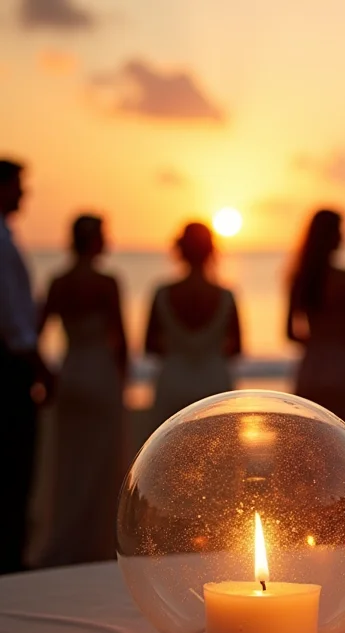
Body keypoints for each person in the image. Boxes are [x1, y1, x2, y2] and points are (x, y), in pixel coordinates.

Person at [38, 215, 127, 566]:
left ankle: (67, 538)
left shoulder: (58, 282)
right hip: (101, 373)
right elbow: (121, 340)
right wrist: (122, 378)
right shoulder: (107, 283)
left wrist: (48, 376)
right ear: (95, 241)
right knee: (102, 462)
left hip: (71, 371)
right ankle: (96, 543)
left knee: (71, 462)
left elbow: (35, 332)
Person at [0, 159, 52, 574]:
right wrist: (42, 370)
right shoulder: (1, 243)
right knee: (14, 473)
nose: (23, 194)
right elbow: (16, 323)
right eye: (18, 186)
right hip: (8, 373)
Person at [287, 209, 345, 445]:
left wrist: (317, 340)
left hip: (312, 367)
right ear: (332, 236)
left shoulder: (300, 279)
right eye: (340, 231)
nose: (344, 236)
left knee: (312, 448)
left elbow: (290, 332)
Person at [145, 222, 241, 427]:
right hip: (215, 383)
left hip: (172, 381)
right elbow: (237, 349)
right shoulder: (226, 296)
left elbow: (150, 346)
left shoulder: (162, 293)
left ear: (180, 250)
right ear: (211, 251)